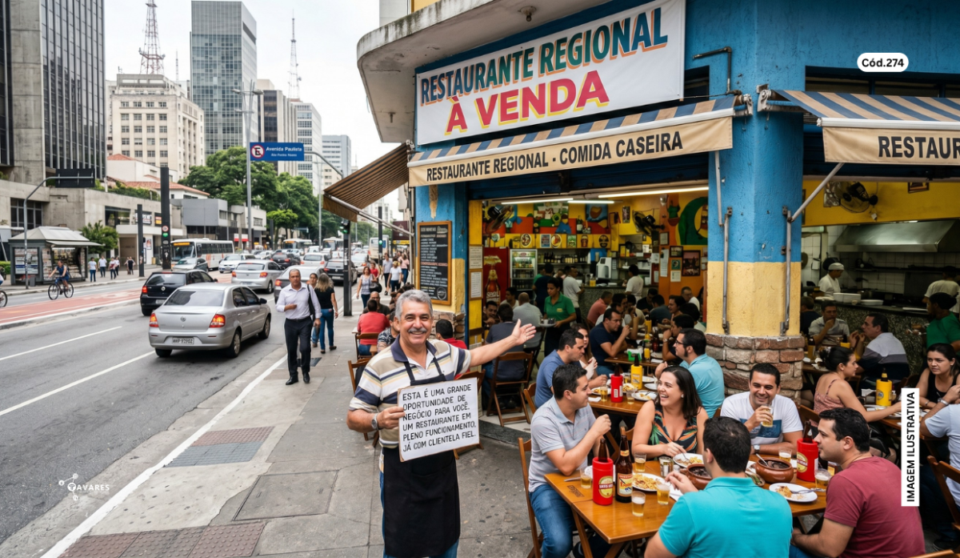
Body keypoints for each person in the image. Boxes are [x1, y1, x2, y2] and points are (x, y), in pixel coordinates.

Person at [347, 290, 535, 558]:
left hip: (441, 465)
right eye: (410, 317)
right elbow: (353, 417)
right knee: (401, 546)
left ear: (432, 321)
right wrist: (376, 419)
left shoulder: (445, 352)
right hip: (400, 472)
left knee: (446, 540)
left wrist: (512, 340)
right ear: (397, 323)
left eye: (424, 317)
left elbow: (477, 356)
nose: (418, 323)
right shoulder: (379, 365)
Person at [647, 418, 792, 558]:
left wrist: (694, 501)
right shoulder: (782, 505)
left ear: (709, 455)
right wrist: (696, 496)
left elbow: (652, 555)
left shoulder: (691, 506)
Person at [790, 408, 925, 558]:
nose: (816, 440)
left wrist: (796, 537)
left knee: (771, 545)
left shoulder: (846, 481)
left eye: (823, 435)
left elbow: (828, 549)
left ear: (847, 442)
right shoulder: (890, 466)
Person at [528, 363, 612, 558]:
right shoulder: (543, 420)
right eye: (585, 388)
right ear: (568, 394)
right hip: (546, 486)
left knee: (621, 522)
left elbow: (598, 444)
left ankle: (584, 551)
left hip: (582, 480)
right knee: (559, 544)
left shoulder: (584, 406)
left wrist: (603, 465)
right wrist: (594, 433)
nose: (590, 391)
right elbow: (565, 466)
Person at [813, 346, 901, 435]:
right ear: (841, 366)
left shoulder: (823, 377)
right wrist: (894, 408)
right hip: (832, 436)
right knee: (888, 447)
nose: (857, 366)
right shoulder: (840, 384)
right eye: (853, 363)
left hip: (817, 430)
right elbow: (864, 417)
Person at [720, 364, 803, 455]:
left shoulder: (786, 405)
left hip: (773, 460)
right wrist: (750, 424)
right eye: (757, 385)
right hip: (739, 457)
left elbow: (796, 447)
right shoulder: (732, 403)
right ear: (749, 384)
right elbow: (726, 444)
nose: (762, 392)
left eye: (768, 387)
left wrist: (756, 448)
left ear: (778, 389)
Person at [920, 373, 960, 549]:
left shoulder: (954, 412)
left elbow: (924, 427)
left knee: (923, 473)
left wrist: (945, 401)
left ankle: (948, 534)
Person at [632, 366, 708, 457]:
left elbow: (703, 456)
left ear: (683, 391)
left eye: (668, 385)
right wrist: (663, 449)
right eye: (660, 383)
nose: (660, 388)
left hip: (685, 471)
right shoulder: (650, 409)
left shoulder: (699, 414)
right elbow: (635, 451)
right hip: (652, 470)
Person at [655, 329, 725, 418]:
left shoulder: (697, 370)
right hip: (695, 413)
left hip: (700, 421)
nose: (674, 345)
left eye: (677, 342)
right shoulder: (708, 361)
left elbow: (673, 398)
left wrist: (659, 376)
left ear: (689, 349)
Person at [534, 329, 604, 408]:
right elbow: (560, 393)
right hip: (550, 411)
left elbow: (581, 381)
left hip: (568, 405)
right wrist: (594, 383)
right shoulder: (551, 364)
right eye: (580, 348)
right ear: (567, 348)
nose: (583, 351)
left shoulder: (573, 359)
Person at [276, 268, 322, 385]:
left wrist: (317, 318)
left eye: (297, 276)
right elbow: (278, 307)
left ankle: (305, 372)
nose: (295, 278)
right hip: (290, 323)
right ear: (289, 278)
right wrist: (287, 307)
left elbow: (316, 304)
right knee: (291, 350)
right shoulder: (284, 291)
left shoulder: (308, 288)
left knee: (305, 348)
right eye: (293, 277)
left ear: (300, 277)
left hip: (305, 322)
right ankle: (293, 375)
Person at [482, 305, 528, 401]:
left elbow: (486, 348)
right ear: (512, 316)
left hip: (499, 374)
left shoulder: (494, 328)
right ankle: (510, 397)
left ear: (499, 317)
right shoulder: (518, 329)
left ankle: (492, 401)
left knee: (484, 370)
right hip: (519, 374)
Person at [849, 313, 909, 382]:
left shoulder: (876, 344)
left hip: (884, 388)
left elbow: (857, 369)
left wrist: (852, 347)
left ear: (877, 328)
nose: (862, 326)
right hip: (901, 386)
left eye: (866, 324)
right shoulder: (896, 341)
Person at [589, 307, 634, 377]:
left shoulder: (614, 329)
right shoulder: (598, 331)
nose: (619, 323)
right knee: (619, 378)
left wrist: (615, 348)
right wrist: (623, 335)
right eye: (616, 321)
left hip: (612, 363)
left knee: (630, 372)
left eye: (619, 320)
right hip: (599, 366)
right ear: (606, 320)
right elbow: (612, 353)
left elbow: (625, 346)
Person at [918, 343, 960, 409]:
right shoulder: (927, 372)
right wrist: (936, 407)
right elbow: (917, 397)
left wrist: (935, 407)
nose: (933, 364)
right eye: (930, 360)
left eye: (939, 360)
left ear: (952, 361)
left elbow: (957, 405)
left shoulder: (958, 376)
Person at [543, 277, 577, 357]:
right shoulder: (547, 300)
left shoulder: (566, 300)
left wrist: (561, 322)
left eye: (552, 288)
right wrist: (543, 322)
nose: (549, 291)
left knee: (562, 355)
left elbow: (573, 316)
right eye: (548, 288)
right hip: (550, 331)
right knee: (549, 354)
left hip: (563, 331)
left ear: (558, 288)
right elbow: (546, 314)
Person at [311, 272, 338, 353]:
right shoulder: (330, 289)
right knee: (330, 328)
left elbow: (314, 302)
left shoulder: (316, 289)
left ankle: (322, 348)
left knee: (321, 330)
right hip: (329, 310)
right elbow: (333, 300)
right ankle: (331, 345)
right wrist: (336, 310)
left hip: (320, 311)